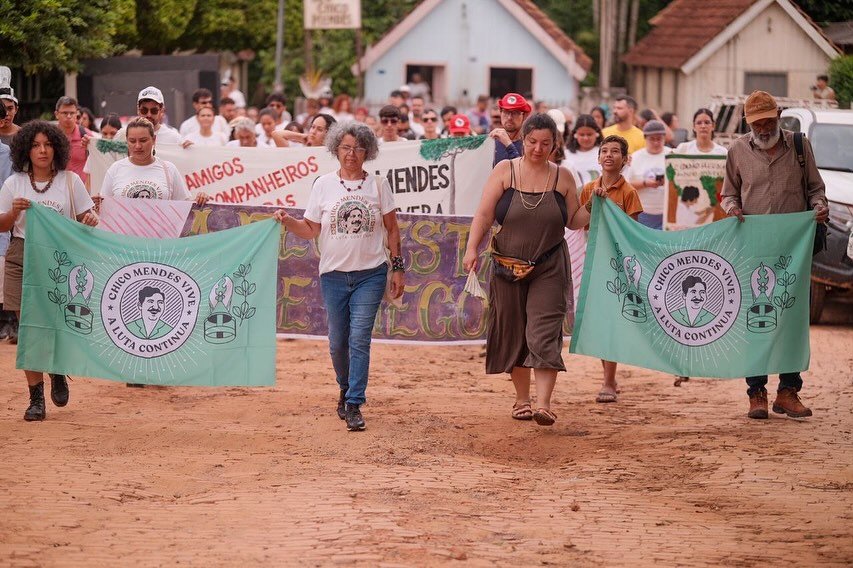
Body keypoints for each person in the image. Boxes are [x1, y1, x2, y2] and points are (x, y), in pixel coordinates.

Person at [463, 113, 603, 427]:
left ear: (555, 145)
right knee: (514, 331)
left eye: (546, 144)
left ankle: (544, 404)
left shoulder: (563, 177)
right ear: (523, 140)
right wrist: (472, 248)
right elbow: (484, 214)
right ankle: (521, 400)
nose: (538, 149)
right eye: (532, 142)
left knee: (544, 331)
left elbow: (573, 221)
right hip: (506, 265)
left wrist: (594, 203)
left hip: (549, 265)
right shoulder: (504, 171)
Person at [272, 122, 404, 431]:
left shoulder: (379, 185)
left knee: (359, 338)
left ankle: (355, 402)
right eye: (346, 147)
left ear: (368, 152)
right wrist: (289, 221)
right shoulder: (323, 185)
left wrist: (398, 266)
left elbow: (393, 228)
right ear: (335, 149)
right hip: (332, 275)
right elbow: (311, 230)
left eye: (358, 148)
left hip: (370, 274)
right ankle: (344, 387)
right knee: (337, 342)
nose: (352, 154)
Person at [720, 90, 828, 420]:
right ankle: (756, 393)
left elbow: (815, 189)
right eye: (756, 123)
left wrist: (819, 207)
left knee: (791, 320)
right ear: (747, 122)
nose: (763, 129)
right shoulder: (737, 150)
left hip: (792, 251)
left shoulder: (799, 146)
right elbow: (728, 193)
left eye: (768, 121)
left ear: (779, 114)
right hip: (753, 250)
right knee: (756, 320)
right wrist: (732, 208)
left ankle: (788, 392)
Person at [0, 120, 98, 421]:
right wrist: (14, 212)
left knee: (55, 326)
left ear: (57, 147)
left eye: (48, 144)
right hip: (21, 256)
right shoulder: (13, 183)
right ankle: (36, 398)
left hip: (59, 261)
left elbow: (85, 216)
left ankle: (57, 370)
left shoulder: (70, 181)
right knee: (29, 330)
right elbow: (2, 225)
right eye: (35, 145)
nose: (42, 151)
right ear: (25, 150)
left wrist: (91, 218)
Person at [579, 135, 643, 403]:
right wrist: (595, 204)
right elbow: (581, 224)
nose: (608, 155)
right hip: (594, 263)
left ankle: (608, 380)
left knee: (612, 322)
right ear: (598, 158)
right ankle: (609, 376)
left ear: (625, 160)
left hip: (619, 267)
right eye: (604, 151)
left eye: (615, 151)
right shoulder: (587, 189)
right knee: (599, 320)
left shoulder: (628, 193)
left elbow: (633, 232)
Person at [625, 120, 672, 229]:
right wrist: (645, 183)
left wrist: (668, 181)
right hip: (642, 213)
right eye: (652, 139)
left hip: (667, 212)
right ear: (645, 138)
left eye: (659, 139)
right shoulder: (635, 157)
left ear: (664, 138)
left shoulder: (672, 155)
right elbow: (626, 186)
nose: (656, 142)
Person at [114, 87, 187, 147]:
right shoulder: (123, 135)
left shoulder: (174, 138)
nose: (149, 115)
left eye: (154, 110)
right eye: (144, 110)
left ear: (161, 111)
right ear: (138, 110)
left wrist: (190, 150)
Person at [562, 114, 603, 187]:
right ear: (575, 134)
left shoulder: (604, 153)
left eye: (589, 134)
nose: (586, 138)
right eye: (582, 135)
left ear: (596, 134)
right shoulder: (565, 154)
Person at [491, 93, 531, 166]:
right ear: (500, 113)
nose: (509, 117)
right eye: (506, 112)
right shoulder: (491, 142)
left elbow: (524, 173)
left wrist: (508, 144)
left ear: (524, 116)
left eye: (515, 113)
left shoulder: (529, 145)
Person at [54, 96, 88, 180]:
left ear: (77, 114)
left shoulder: (86, 136)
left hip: (81, 189)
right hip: (56, 188)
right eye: (65, 113)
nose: (69, 116)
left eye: (72, 113)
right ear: (56, 114)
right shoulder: (50, 137)